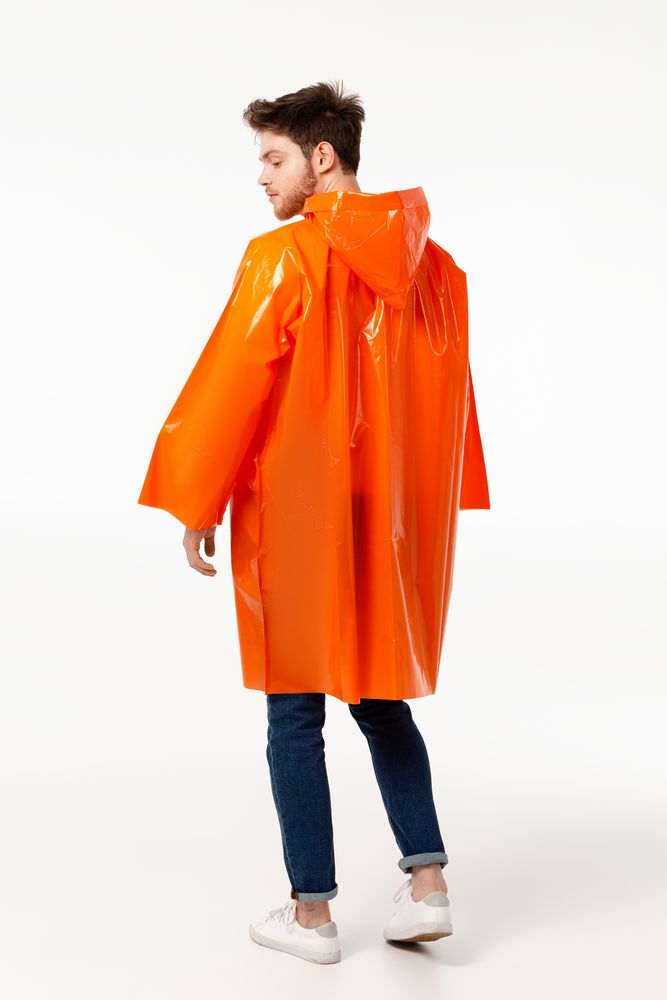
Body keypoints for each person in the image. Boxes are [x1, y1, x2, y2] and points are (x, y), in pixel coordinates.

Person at [138, 80, 490, 964]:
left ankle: (311, 917)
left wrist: (198, 497)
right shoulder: (435, 269)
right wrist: (430, 505)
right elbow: (450, 402)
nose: (261, 176)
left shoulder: (283, 256)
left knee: (293, 713)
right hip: (387, 519)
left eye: (273, 157)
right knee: (379, 698)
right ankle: (427, 887)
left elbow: (235, 379)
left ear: (320, 158)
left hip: (298, 515)